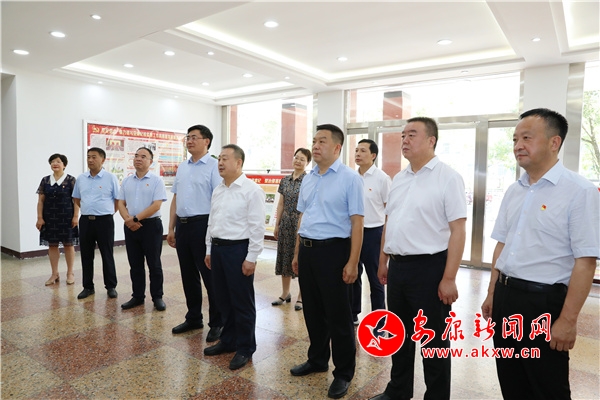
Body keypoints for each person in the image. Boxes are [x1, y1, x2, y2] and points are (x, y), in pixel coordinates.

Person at [481, 108, 600, 400]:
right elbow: (502, 245)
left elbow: (585, 261)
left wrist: (568, 320)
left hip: (543, 303)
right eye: (515, 139)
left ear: (554, 142)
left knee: (547, 386)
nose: (518, 145)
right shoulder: (514, 190)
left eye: (527, 138)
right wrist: (492, 293)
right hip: (506, 297)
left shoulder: (579, 191)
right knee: (511, 380)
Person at [372, 117, 466, 400]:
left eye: (412, 135)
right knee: (398, 334)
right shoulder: (399, 179)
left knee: (433, 339)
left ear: (431, 140)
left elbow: (458, 230)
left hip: (430, 269)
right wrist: (383, 261)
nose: (405, 140)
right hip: (398, 268)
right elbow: (390, 222)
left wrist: (449, 278)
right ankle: (398, 390)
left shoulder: (448, 177)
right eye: (403, 135)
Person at [289, 124, 364, 400]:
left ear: (337, 147)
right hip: (308, 251)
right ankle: (317, 359)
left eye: (322, 141)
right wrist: (297, 253)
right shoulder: (309, 178)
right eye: (314, 141)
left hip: (334, 251)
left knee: (338, 315)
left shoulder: (350, 178)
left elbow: (357, 223)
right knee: (313, 310)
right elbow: (303, 217)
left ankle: (343, 372)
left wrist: (353, 262)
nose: (315, 146)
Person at [203, 144, 265, 371]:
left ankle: (245, 347)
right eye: (219, 158)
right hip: (218, 249)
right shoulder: (218, 189)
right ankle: (228, 340)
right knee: (223, 299)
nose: (220, 163)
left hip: (238, 250)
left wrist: (251, 257)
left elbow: (257, 227)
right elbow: (212, 221)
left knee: (241, 301)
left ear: (239, 163)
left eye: (225, 159)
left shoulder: (252, 190)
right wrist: (209, 250)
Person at [167, 125, 223, 342]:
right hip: (183, 226)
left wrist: (213, 232)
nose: (189, 141)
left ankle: (217, 322)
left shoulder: (213, 166)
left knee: (210, 276)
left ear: (206, 141)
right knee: (188, 275)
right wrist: (171, 228)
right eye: (187, 138)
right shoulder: (183, 167)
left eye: (194, 137)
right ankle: (193, 317)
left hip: (203, 225)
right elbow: (176, 198)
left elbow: (218, 201)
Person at [117, 147, 167, 311]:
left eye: (143, 156)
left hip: (151, 226)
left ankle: (157, 297)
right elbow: (120, 203)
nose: (138, 158)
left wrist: (135, 219)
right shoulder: (127, 181)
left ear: (150, 162)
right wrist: (128, 220)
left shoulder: (156, 181)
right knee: (135, 264)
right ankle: (137, 296)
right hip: (131, 227)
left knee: (154, 264)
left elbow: (156, 205)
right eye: (136, 155)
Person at [350, 138, 391, 324]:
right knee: (353, 273)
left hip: (374, 233)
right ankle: (353, 313)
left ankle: (379, 319)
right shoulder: (351, 177)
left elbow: (389, 209)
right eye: (356, 150)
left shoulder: (382, 178)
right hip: (353, 232)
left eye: (363, 151)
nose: (358, 154)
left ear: (373, 155)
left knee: (376, 278)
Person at [73, 147, 120, 300]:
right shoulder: (81, 178)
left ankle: (111, 286)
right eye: (88, 157)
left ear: (103, 159)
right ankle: (88, 287)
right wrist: (89, 210)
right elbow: (77, 198)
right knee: (86, 254)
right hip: (86, 221)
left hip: (104, 221)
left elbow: (118, 200)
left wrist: (106, 212)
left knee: (107, 254)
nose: (90, 160)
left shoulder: (110, 178)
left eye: (94, 157)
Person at [272, 147, 311, 311]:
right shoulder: (285, 180)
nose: (298, 161)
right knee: (284, 257)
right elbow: (281, 203)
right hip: (286, 222)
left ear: (307, 163)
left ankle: (301, 297)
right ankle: (285, 293)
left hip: (300, 222)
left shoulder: (308, 181)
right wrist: (277, 224)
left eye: (302, 159)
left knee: (300, 259)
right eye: (296, 157)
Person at [36, 153, 80, 286]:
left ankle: (70, 273)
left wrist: (75, 216)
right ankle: (54, 274)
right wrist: (40, 218)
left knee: (68, 244)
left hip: (67, 217)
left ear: (64, 165)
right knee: (52, 245)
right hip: (50, 217)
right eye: (52, 162)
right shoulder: (45, 180)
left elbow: (76, 200)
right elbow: (40, 201)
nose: (55, 164)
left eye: (58, 161)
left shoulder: (71, 180)